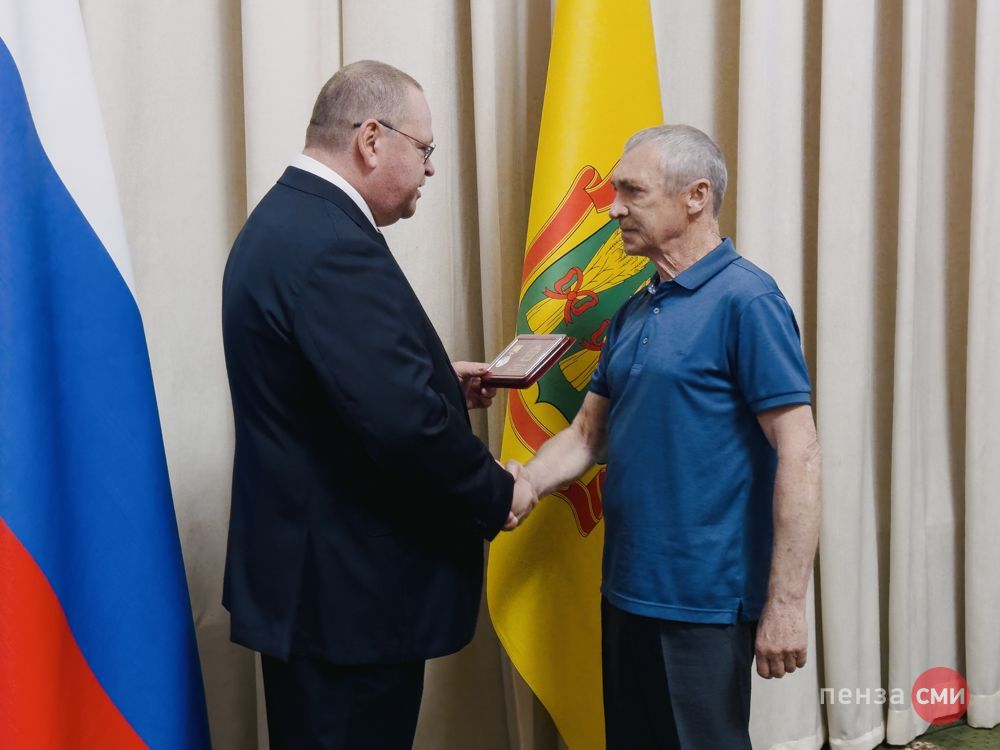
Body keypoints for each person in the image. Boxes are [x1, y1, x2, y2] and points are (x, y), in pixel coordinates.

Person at [221, 60, 535, 749]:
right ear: (371, 139)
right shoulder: (333, 245)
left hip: (318, 593)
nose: (430, 169)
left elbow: (333, 390)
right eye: (424, 149)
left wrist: (437, 380)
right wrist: (497, 492)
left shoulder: (287, 219)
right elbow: (404, 427)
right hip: (348, 605)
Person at [507, 124, 821, 749]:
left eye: (632, 191)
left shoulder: (748, 300)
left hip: (704, 602)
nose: (613, 207)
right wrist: (525, 483)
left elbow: (801, 451)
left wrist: (787, 602)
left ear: (695, 196)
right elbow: (587, 434)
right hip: (626, 590)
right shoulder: (633, 310)